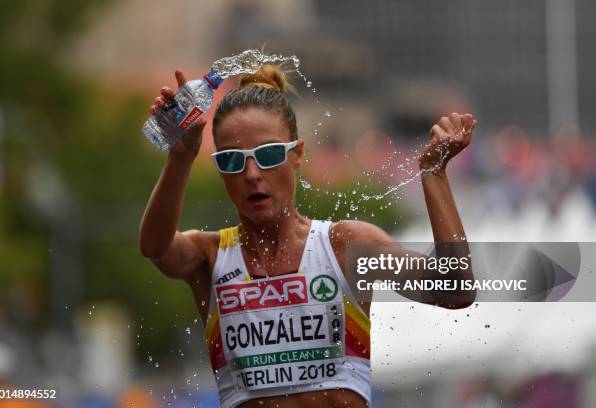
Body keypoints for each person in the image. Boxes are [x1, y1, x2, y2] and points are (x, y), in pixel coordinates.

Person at [139, 64, 477, 408]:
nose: (252, 174)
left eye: (269, 155)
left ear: (296, 155)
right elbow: (155, 247)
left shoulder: (345, 246)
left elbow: (455, 291)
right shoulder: (209, 256)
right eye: (232, 161)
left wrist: (434, 174)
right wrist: (180, 157)